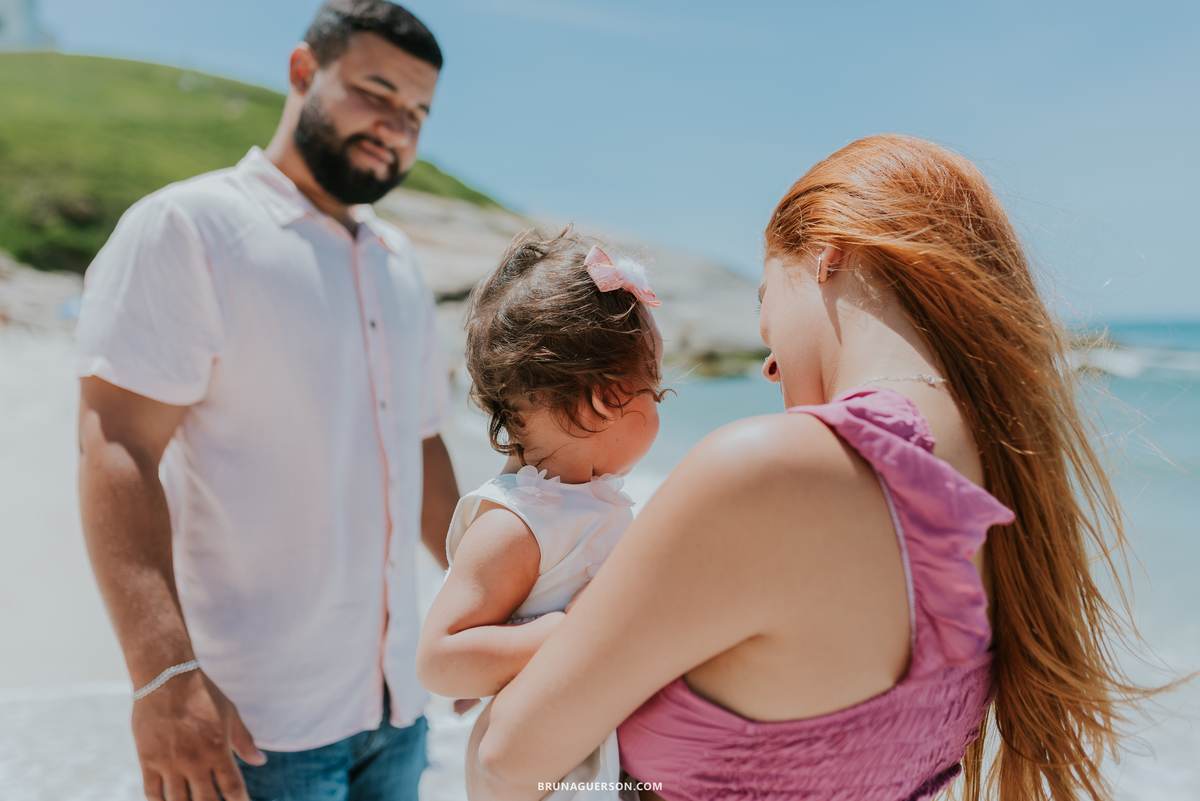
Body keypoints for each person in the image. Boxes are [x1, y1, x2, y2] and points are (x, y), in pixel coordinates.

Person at [463, 135, 1139, 801]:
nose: (769, 367)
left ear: (827, 257)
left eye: (768, 318)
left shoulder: (765, 473)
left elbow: (506, 764)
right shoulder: (1011, 484)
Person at [75, 3, 458, 800]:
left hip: (399, 710)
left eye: (416, 112)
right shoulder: (189, 227)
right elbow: (116, 445)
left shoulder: (401, 263)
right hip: (254, 725)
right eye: (374, 92)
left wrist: (495, 604)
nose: (395, 125)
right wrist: (162, 677)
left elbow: (423, 447)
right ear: (300, 72)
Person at [417, 231, 666, 800]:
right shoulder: (518, 521)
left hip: (591, 746)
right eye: (658, 392)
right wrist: (572, 631)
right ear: (606, 399)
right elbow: (439, 660)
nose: (659, 408)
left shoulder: (589, 499)